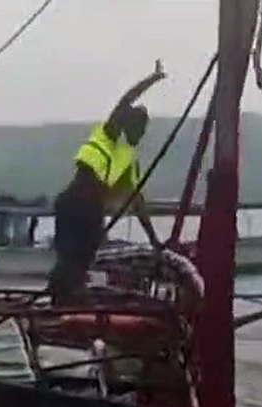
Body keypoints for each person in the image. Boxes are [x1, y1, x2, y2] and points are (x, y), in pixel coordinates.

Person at [46, 61, 167, 303]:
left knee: (79, 265)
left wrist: (155, 241)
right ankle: (61, 301)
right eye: (139, 128)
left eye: (143, 130)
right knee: (70, 261)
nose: (140, 134)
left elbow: (137, 202)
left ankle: (67, 301)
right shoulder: (110, 134)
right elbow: (126, 99)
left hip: (90, 212)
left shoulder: (126, 158)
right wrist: (153, 79)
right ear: (129, 123)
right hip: (74, 206)